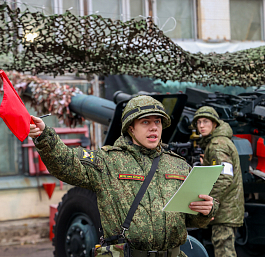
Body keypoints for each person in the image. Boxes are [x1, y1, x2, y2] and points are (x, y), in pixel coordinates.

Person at [29, 95, 218, 257]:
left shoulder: (178, 165)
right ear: (131, 128)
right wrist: (44, 136)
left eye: (157, 122)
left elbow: (189, 219)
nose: (153, 128)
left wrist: (206, 210)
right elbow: (67, 163)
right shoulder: (108, 161)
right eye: (145, 122)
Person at [192, 106, 244, 257]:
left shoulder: (217, 144)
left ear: (215, 124)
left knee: (224, 249)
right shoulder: (220, 141)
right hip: (228, 207)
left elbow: (224, 178)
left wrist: (211, 205)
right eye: (198, 122)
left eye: (206, 121)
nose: (201, 126)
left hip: (224, 209)